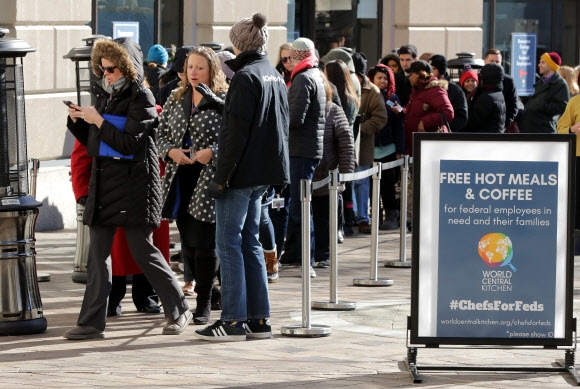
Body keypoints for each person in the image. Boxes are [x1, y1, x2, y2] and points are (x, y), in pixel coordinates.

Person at [63, 37, 191, 340]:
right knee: (97, 256)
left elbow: (128, 144)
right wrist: (79, 121)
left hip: (135, 188)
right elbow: (96, 144)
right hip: (106, 187)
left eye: (112, 69)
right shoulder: (106, 96)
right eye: (104, 69)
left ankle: (179, 308)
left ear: (127, 68)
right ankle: (92, 322)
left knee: (144, 251)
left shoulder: (142, 97)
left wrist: (98, 121)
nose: (106, 74)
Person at [195, 13, 290, 341]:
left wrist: (220, 179)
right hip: (263, 173)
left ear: (237, 43)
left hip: (241, 174)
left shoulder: (246, 76)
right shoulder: (273, 74)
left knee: (229, 243)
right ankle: (258, 319)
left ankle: (234, 320)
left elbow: (233, 136)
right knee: (249, 241)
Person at [156, 46, 228, 325]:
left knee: (206, 243)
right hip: (180, 176)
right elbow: (160, 132)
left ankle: (205, 302)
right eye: (190, 67)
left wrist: (212, 151)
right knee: (189, 242)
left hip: (209, 176)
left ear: (212, 71)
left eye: (200, 67)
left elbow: (234, 138)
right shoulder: (177, 96)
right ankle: (205, 290)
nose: (194, 72)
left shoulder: (223, 98)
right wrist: (170, 152)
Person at [278, 37, 325, 278]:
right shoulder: (313, 73)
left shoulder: (303, 78)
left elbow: (294, 118)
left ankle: (307, 258)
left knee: (299, 207)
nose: (287, 60)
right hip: (306, 149)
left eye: (290, 56)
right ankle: (300, 255)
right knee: (298, 205)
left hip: (300, 150)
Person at [312, 73, 355, 268]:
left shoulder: (334, 111)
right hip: (306, 175)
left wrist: (345, 174)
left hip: (326, 175)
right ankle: (305, 254)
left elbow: (346, 143)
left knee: (325, 219)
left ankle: (324, 254)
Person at [351, 52, 388, 234]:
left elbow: (381, 118)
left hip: (362, 145)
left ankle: (363, 218)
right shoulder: (343, 86)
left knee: (361, 181)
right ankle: (349, 216)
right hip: (344, 144)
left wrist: (359, 129)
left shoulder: (372, 91)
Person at [324, 60, 360, 238]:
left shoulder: (338, 101)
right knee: (343, 191)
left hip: (338, 147)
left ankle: (340, 227)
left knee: (338, 191)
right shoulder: (351, 95)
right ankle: (344, 226)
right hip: (347, 146)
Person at [367, 64, 404, 230]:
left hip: (389, 149)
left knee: (388, 185)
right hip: (370, 149)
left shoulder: (391, 98)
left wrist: (400, 150)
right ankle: (374, 216)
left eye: (385, 78)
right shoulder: (366, 96)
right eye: (379, 78)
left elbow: (399, 124)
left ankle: (391, 214)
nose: (382, 81)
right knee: (371, 186)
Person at [521, 51, 570, 133]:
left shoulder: (560, 83)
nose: (539, 65)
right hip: (531, 128)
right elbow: (536, 100)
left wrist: (541, 105)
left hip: (544, 130)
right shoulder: (542, 81)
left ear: (551, 65)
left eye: (542, 62)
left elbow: (562, 106)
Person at [557, 93, 580, 253]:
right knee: (577, 202)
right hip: (578, 158)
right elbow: (560, 128)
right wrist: (572, 129)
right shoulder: (575, 102)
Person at [429, 54, 468, 132]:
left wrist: (446, 129)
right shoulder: (425, 87)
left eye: (433, 69)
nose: (430, 72)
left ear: (441, 70)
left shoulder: (455, 90)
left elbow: (462, 117)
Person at [464, 63, 506, 133]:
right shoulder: (498, 93)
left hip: (485, 140)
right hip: (494, 138)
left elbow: (472, 122)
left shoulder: (487, 97)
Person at [483, 48, 519, 128]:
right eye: (491, 61)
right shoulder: (478, 79)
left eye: (497, 62)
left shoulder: (508, 81)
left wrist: (503, 125)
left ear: (501, 62)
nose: (494, 64)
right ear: (485, 61)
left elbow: (513, 106)